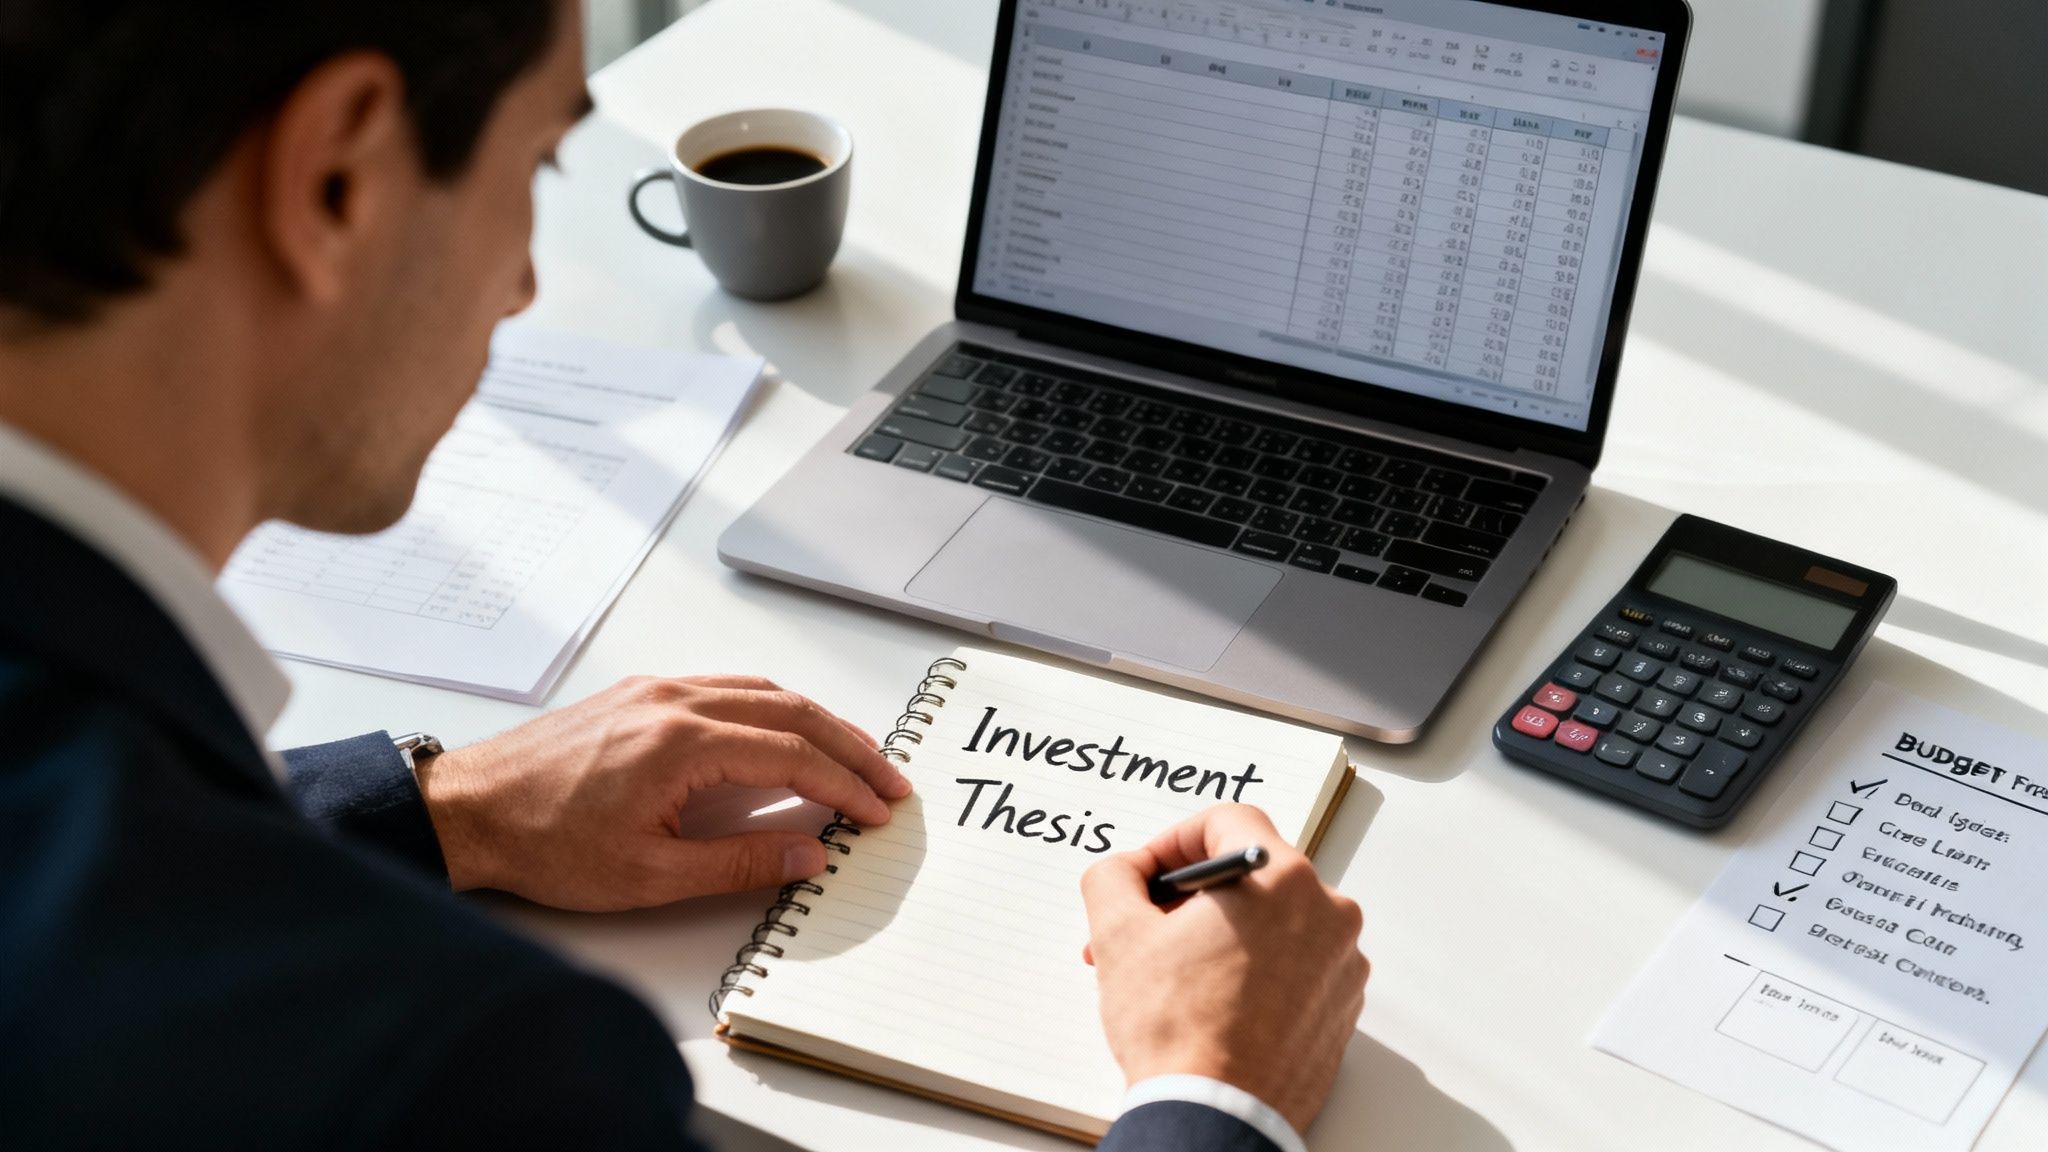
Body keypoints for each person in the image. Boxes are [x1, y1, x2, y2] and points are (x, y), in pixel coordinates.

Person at [0, 2, 1369, 1149]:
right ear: (336, 179)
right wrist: (1215, 1096)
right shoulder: (460, 1070)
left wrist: (446, 809)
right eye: (537, 165)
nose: (527, 285)